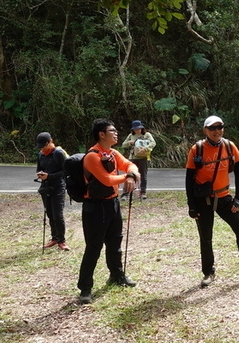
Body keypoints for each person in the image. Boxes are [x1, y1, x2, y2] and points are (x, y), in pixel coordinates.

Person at [185, 115, 239, 286]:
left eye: (220, 127)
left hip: (224, 198)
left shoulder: (229, 146)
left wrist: (238, 198)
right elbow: (188, 179)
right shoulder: (197, 149)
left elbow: (238, 173)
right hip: (203, 199)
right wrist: (191, 205)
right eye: (213, 128)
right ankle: (208, 273)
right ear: (205, 131)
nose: (217, 131)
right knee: (206, 236)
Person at [77, 118, 140, 304]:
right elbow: (106, 180)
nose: (116, 133)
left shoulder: (112, 153)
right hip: (95, 208)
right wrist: (127, 177)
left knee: (115, 243)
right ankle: (85, 288)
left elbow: (131, 165)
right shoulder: (92, 156)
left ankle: (117, 275)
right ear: (101, 134)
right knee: (94, 247)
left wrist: (131, 172)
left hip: (112, 204)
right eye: (112, 130)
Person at [35, 132, 68, 251]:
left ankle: (62, 240)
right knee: (49, 213)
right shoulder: (40, 154)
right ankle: (54, 237)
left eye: (44, 146)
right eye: (40, 147)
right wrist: (40, 174)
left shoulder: (58, 153)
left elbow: (65, 172)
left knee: (57, 215)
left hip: (58, 187)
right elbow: (39, 168)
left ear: (50, 142)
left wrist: (49, 176)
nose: (42, 149)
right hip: (46, 187)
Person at [122, 120, 156, 199]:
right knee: (130, 175)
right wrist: (129, 143)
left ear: (142, 128)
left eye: (138, 129)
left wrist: (146, 148)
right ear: (132, 129)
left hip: (143, 158)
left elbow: (153, 143)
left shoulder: (147, 135)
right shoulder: (131, 135)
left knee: (143, 176)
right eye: (135, 129)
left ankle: (143, 193)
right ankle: (125, 194)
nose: (137, 130)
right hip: (133, 158)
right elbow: (123, 145)